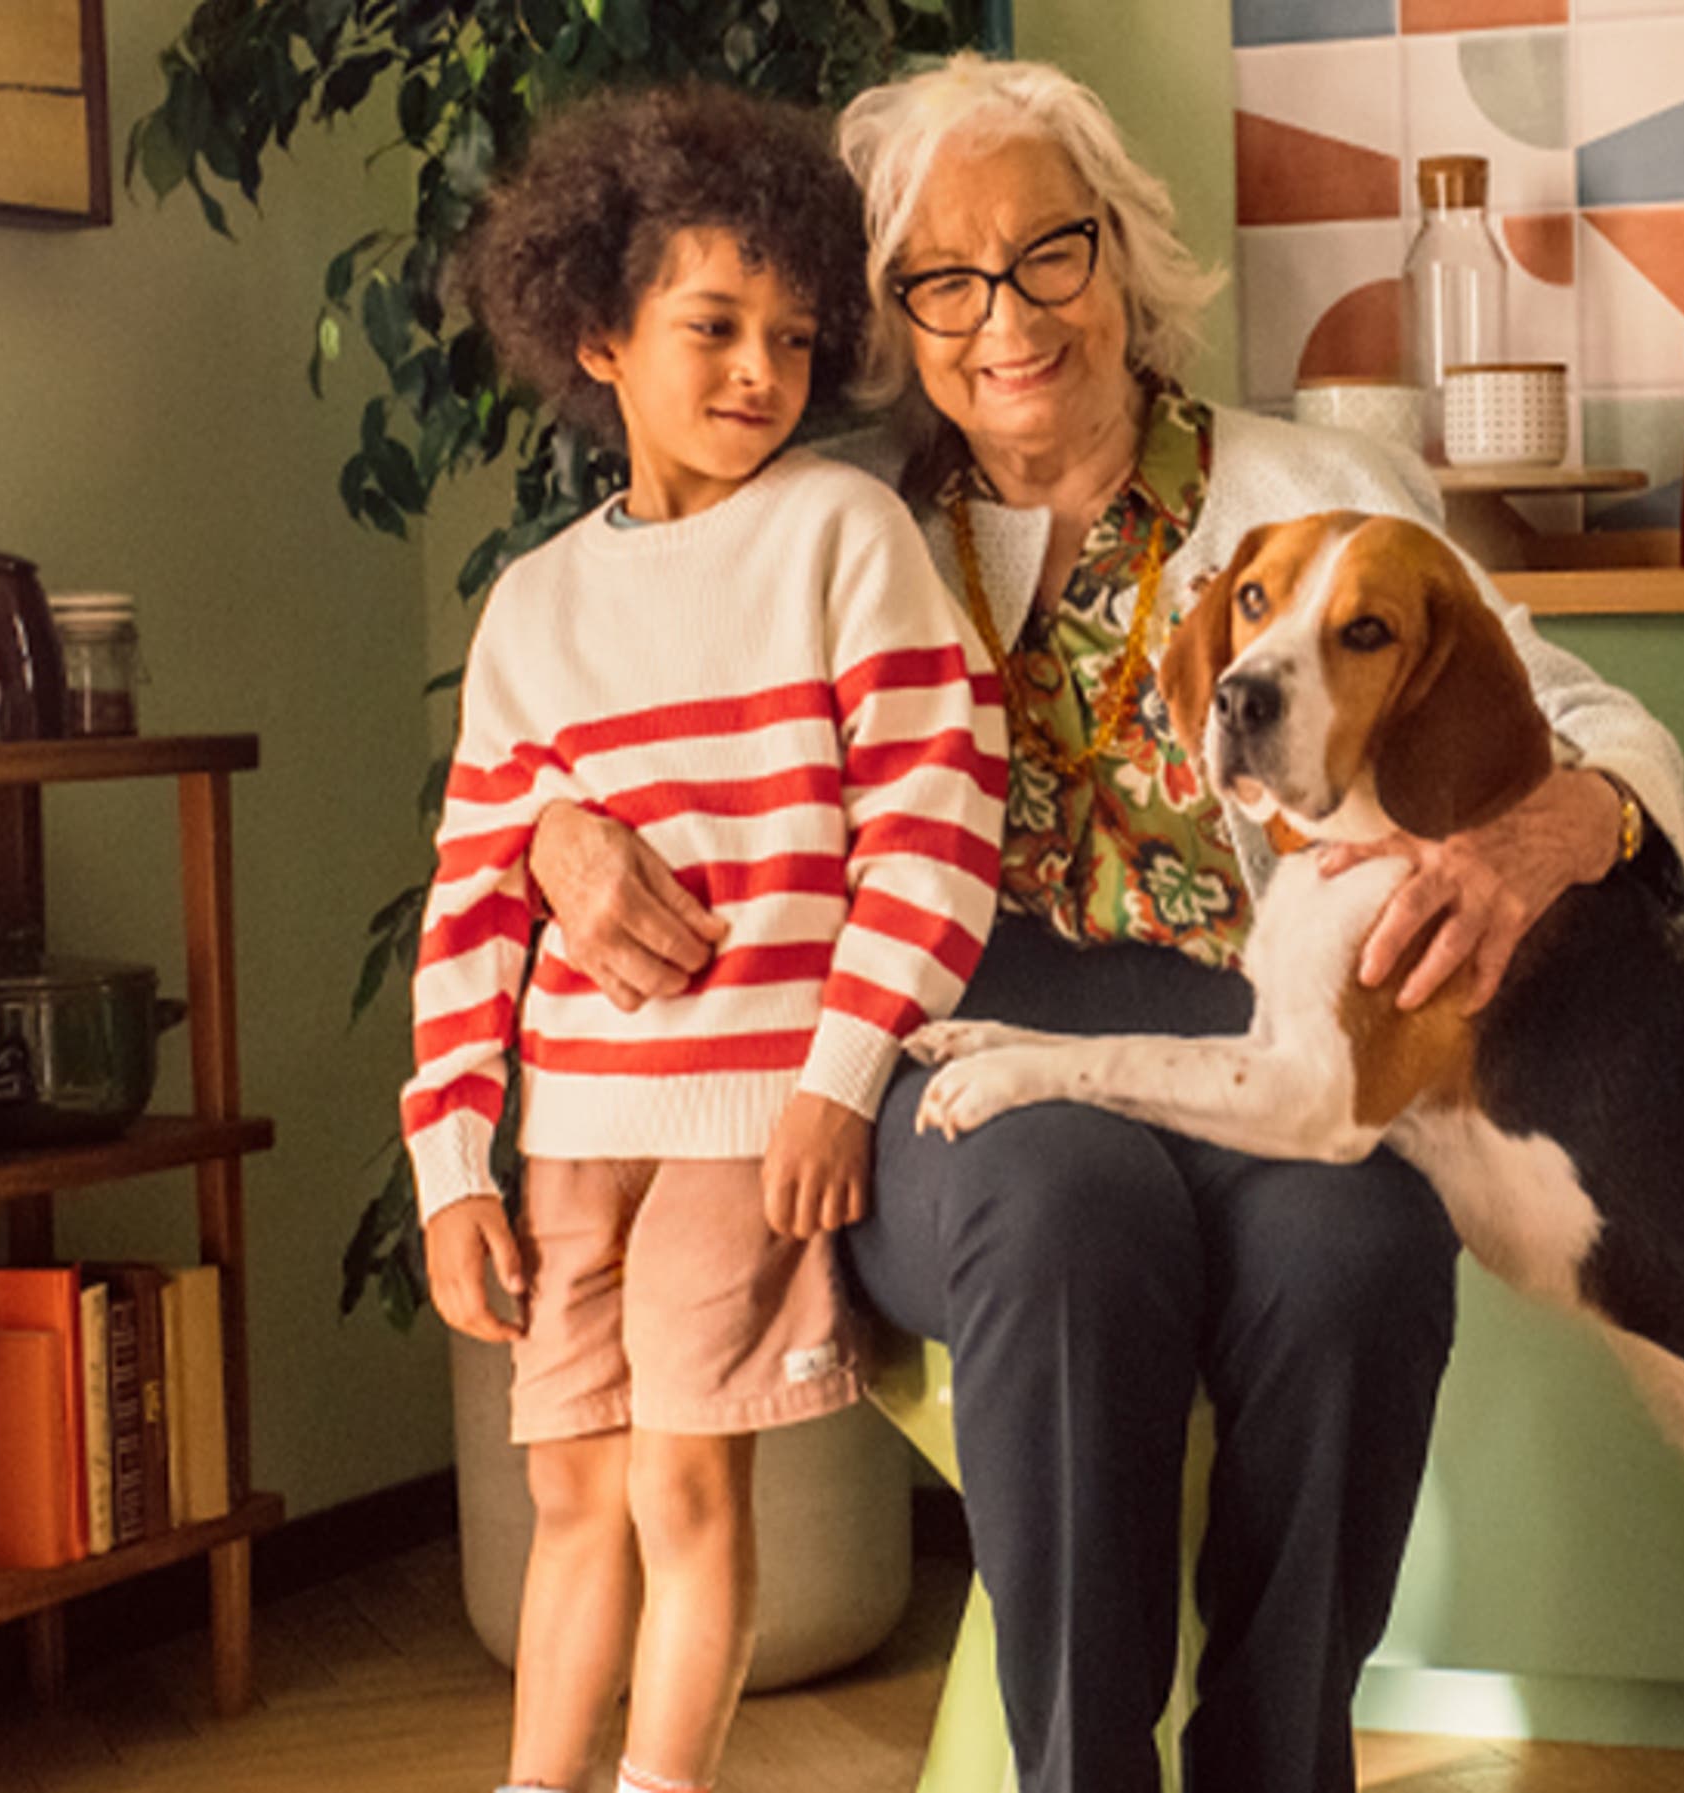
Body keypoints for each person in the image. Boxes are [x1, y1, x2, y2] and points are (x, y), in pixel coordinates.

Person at [506, 53, 1684, 1793]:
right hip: (944, 1046)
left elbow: (1586, 720)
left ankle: (1277, 1765)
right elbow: (592, 710)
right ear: (896, 317)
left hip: (1257, 1042)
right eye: (943, 279)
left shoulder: (1303, 494)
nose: (1007, 316)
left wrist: (1565, 825)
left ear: (1122, 256)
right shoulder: (828, 522)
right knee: (1062, 1203)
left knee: (1357, 1250)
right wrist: (555, 840)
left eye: (1049, 252)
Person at [402, 83, 1008, 1793]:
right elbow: (475, 896)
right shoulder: (534, 607)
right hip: (572, 1136)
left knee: (684, 1484)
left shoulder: (841, 535)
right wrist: (450, 1166)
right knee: (570, 1489)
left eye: (795, 336)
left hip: (750, 1126)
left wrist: (838, 1078)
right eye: (715, 325)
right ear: (598, 335)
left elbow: (937, 819)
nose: (760, 370)